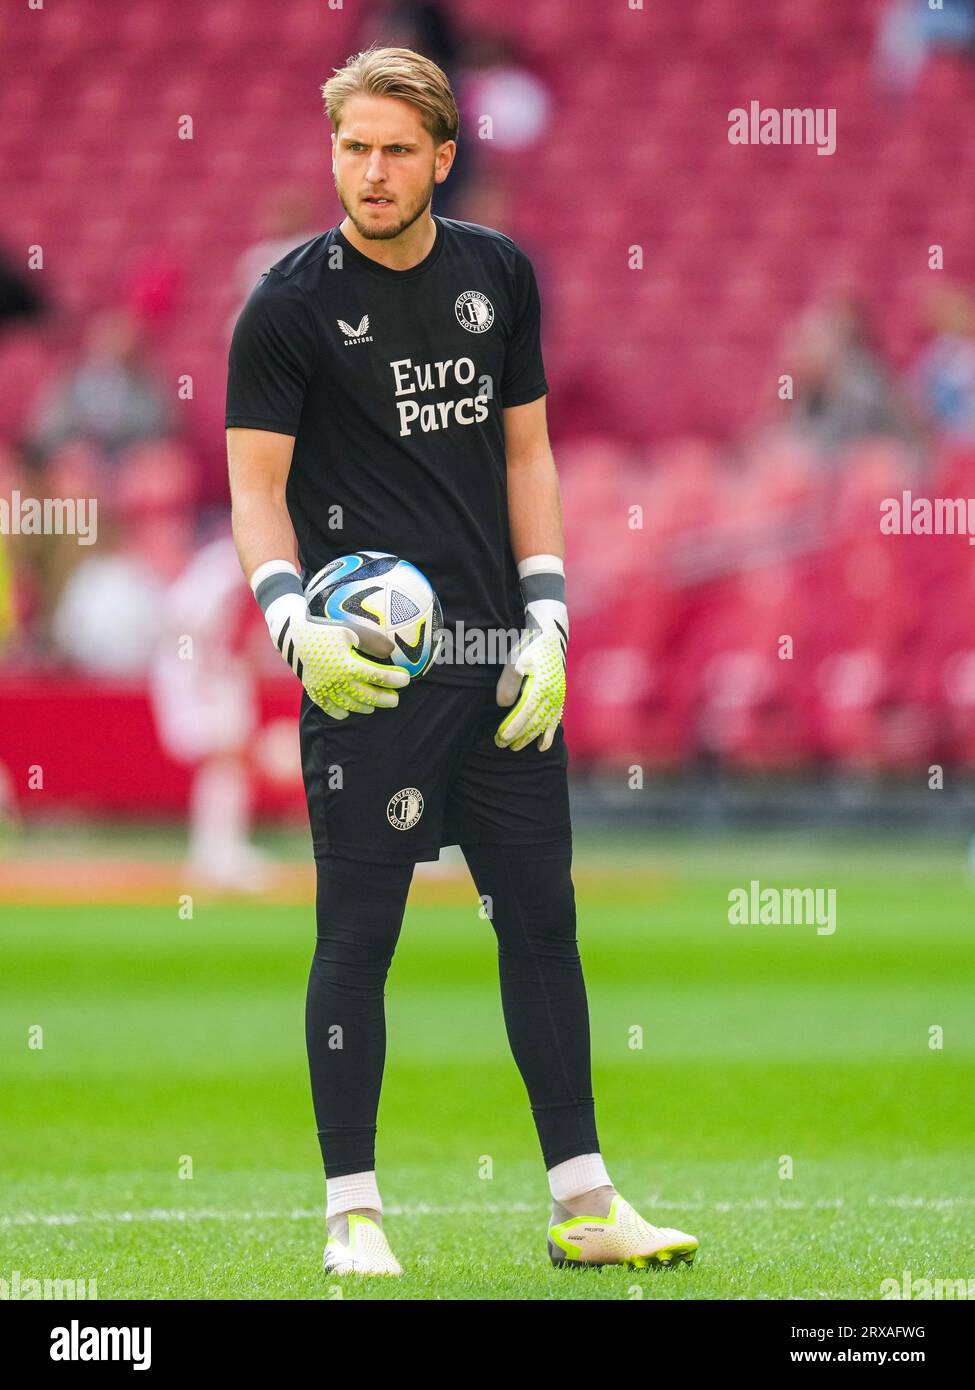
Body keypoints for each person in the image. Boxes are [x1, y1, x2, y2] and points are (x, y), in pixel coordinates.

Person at [225, 44, 698, 1277]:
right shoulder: (284, 306)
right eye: (352, 148)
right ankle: (353, 1212)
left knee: (543, 922)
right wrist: (295, 629)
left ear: (443, 156)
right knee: (358, 934)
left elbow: (529, 458)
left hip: (500, 663)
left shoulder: (500, 275)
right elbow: (254, 490)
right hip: (369, 668)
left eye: (395, 150)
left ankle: (586, 1204)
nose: (371, 172)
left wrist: (550, 622)